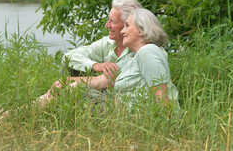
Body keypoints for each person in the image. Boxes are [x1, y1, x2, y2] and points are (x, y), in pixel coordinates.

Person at [35, 8, 179, 111]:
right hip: (117, 110)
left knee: (71, 91)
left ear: (141, 30)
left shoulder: (149, 52)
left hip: (137, 116)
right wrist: (67, 80)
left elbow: (162, 95)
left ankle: (19, 114)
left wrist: (165, 130)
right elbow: (101, 81)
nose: (122, 31)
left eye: (127, 26)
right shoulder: (131, 57)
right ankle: (18, 114)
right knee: (70, 88)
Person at [62, 0, 143, 78]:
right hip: (108, 87)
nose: (107, 25)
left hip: (128, 89)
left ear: (129, 24)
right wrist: (95, 65)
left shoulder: (142, 48)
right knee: (70, 69)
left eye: (113, 21)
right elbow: (68, 57)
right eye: (108, 19)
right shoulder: (107, 43)